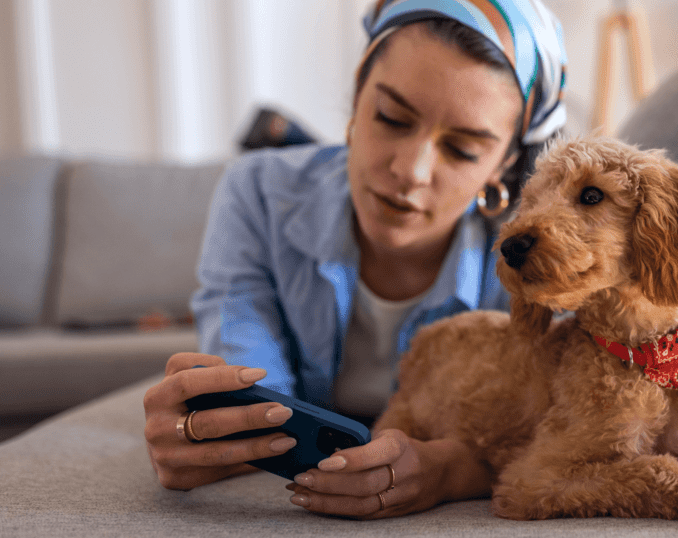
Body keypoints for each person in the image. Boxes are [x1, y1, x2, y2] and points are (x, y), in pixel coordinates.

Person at [142, 0, 567, 519]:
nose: (411, 171)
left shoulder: (535, 252)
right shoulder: (257, 193)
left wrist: (451, 468)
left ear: (503, 164)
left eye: (462, 150)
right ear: (356, 97)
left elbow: (565, 425)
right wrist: (211, 431)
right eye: (390, 118)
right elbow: (254, 386)